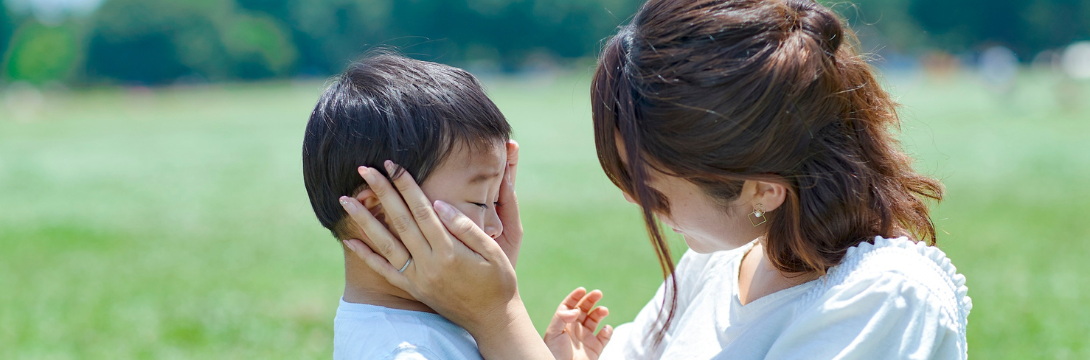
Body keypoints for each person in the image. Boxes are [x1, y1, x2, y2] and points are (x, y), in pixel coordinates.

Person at [338, 0, 973, 358]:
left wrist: (498, 319)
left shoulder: (885, 303)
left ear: (762, 189)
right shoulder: (727, 262)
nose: (634, 201)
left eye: (656, 190)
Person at [303, 53, 611, 360]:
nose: (496, 227)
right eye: (479, 201)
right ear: (380, 212)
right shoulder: (406, 353)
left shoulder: (438, 322)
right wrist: (500, 314)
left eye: (495, 201)